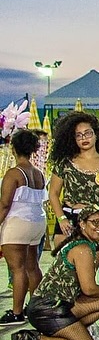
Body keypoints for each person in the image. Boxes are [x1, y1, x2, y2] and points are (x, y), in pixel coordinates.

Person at [12, 203, 99, 340]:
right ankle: (33, 338)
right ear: (82, 224)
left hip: (60, 305)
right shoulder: (82, 249)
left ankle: (66, 338)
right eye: (95, 222)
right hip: (48, 309)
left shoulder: (84, 244)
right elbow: (89, 289)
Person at [46, 111, 99, 248]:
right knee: (66, 268)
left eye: (87, 133)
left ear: (96, 134)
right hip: (69, 219)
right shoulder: (65, 162)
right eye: (78, 135)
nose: (83, 138)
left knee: (89, 268)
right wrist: (61, 218)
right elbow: (53, 193)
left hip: (96, 221)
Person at [0, 130, 47, 326]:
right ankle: (34, 308)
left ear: (14, 148)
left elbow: (4, 204)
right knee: (32, 266)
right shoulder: (38, 173)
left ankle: (17, 312)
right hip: (37, 222)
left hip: (18, 222)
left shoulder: (14, 173)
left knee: (17, 269)